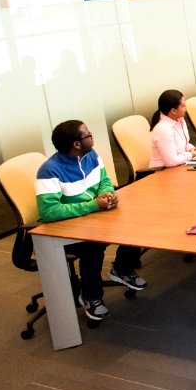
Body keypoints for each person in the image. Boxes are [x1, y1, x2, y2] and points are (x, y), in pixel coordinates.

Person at [35, 120, 147, 321]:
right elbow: (50, 211)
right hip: (64, 229)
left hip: (93, 217)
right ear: (76, 144)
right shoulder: (49, 170)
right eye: (88, 134)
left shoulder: (91, 156)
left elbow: (104, 181)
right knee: (92, 246)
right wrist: (93, 205)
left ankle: (121, 268)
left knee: (136, 220)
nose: (92, 136)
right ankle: (91, 296)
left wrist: (108, 194)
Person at [149, 89, 196, 168]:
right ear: (173, 110)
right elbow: (172, 161)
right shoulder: (163, 130)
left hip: (178, 168)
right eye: (183, 106)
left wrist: (193, 149)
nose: (186, 109)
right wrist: (194, 153)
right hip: (162, 173)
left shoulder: (180, 120)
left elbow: (184, 144)